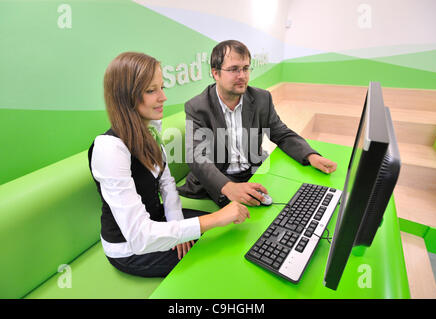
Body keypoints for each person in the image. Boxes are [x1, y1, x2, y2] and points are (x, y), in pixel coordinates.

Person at [88, 52, 250, 277]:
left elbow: (167, 183)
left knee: (233, 233)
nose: (163, 97)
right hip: (131, 248)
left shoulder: (149, 130)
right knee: (219, 260)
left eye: (162, 88)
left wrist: (177, 223)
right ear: (125, 96)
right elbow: (140, 236)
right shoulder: (110, 149)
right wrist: (214, 218)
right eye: (151, 90)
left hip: (160, 222)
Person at [178, 40, 337, 207]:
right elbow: (197, 157)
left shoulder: (262, 99)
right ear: (215, 73)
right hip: (220, 179)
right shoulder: (197, 107)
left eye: (245, 68)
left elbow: (281, 133)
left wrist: (311, 156)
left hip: (253, 171)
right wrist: (228, 187)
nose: (242, 76)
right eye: (233, 69)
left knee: (294, 203)